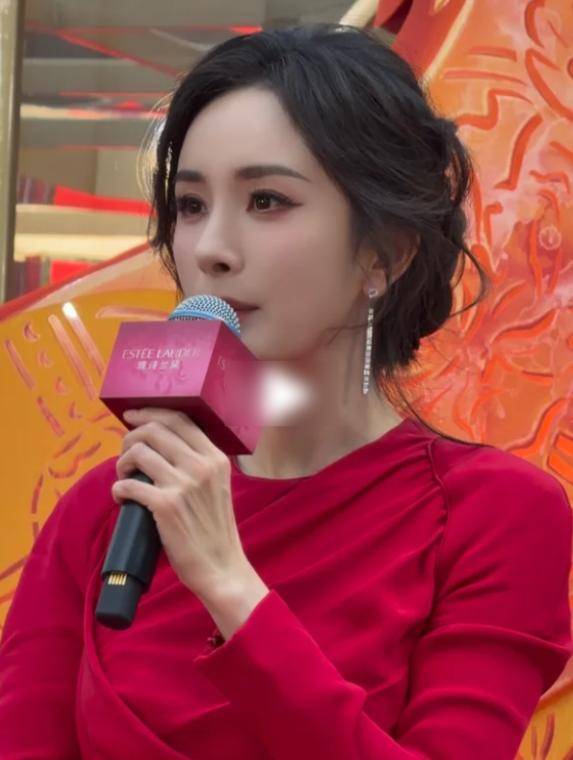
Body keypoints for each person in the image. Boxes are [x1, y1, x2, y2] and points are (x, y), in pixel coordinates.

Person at [0, 23, 571, 760]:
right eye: (190, 205)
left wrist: (230, 586)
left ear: (385, 254)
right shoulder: (104, 511)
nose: (211, 249)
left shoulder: (495, 514)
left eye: (267, 200)